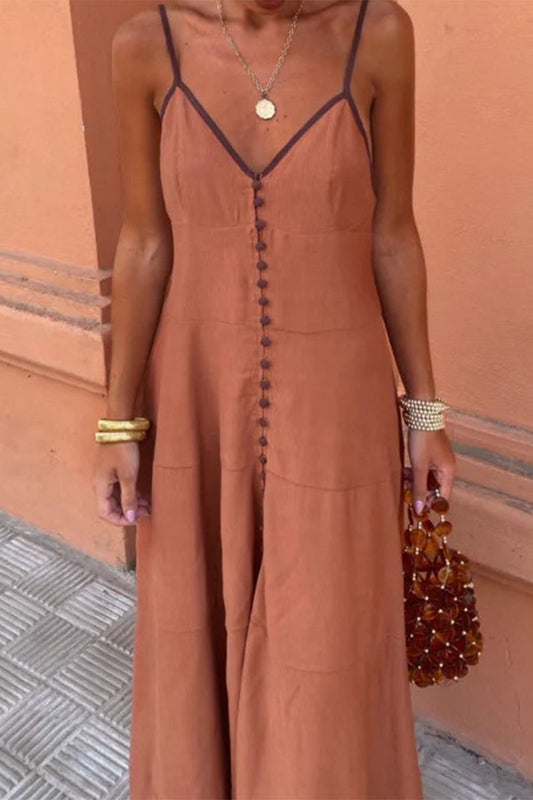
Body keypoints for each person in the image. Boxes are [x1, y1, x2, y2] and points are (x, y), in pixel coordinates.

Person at [92, 0, 456, 797]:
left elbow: (392, 233)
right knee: (193, 625)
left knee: (326, 645)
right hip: (193, 397)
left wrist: (424, 412)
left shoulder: (376, 33)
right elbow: (144, 240)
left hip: (338, 404)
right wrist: (119, 424)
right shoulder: (145, 45)